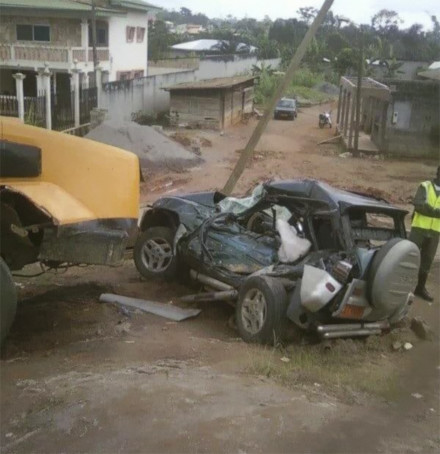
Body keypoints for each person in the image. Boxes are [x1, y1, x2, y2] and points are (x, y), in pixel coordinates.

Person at [409, 166, 440, 301]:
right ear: (438, 173)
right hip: (419, 229)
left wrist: (430, 210)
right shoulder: (425, 186)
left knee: (426, 262)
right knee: (410, 257)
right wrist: (437, 213)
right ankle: (403, 288)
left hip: (435, 232)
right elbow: (419, 205)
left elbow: (425, 207)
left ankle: (420, 288)